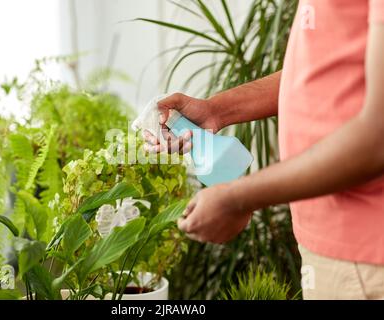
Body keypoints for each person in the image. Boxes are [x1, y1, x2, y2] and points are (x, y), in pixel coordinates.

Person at [143, 1, 384, 299]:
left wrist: (238, 199)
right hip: (334, 244)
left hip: (368, 253)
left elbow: (378, 137)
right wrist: (215, 110)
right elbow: (327, 67)